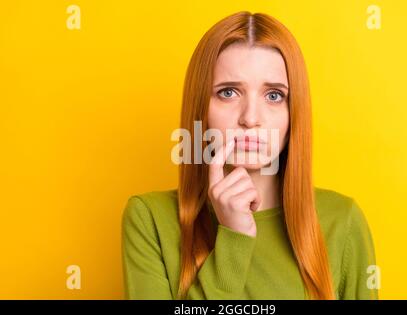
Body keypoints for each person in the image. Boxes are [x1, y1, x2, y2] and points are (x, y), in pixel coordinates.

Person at [121, 11, 378, 300]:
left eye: (274, 96)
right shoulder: (150, 219)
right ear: (200, 108)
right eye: (228, 92)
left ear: (294, 112)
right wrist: (234, 238)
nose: (251, 118)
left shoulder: (341, 221)